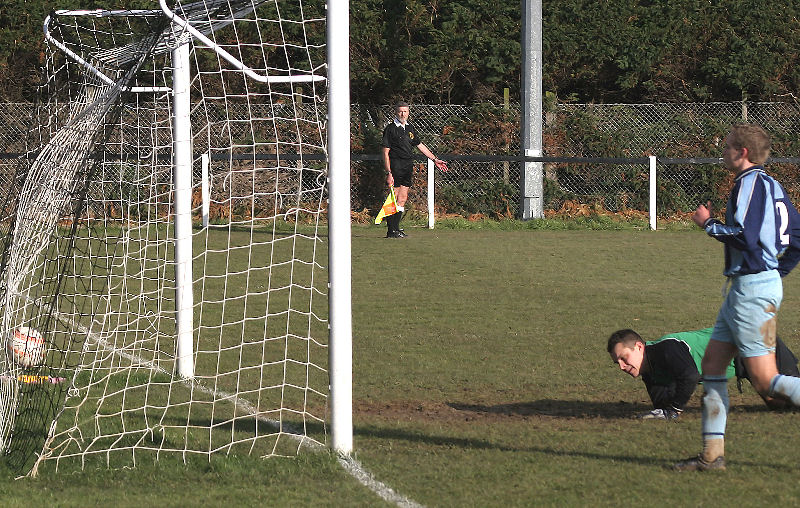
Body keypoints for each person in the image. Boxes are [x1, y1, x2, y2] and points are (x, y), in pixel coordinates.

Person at [675, 124, 800, 472]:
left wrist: (708, 223)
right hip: (747, 288)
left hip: (751, 289)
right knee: (713, 366)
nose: (724, 151)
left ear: (742, 152)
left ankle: (711, 457)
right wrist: (774, 273)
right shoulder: (774, 186)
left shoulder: (749, 184)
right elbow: (798, 236)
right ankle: (711, 457)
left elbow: (743, 235)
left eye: (728, 146)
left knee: (765, 381)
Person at [607, 328, 798, 419]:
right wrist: (664, 411)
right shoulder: (649, 371)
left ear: (639, 347)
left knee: (791, 397)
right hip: (740, 359)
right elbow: (662, 406)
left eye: (624, 358)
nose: (622, 367)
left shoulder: (666, 348)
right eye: (618, 362)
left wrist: (674, 410)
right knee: (779, 407)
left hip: (756, 341)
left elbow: (689, 376)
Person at [381, 102, 447, 238]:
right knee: (393, 197)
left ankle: (396, 229)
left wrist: (435, 159)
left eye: (405, 111)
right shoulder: (390, 129)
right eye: (400, 111)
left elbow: (419, 145)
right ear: (396, 112)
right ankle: (390, 230)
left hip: (407, 165)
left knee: (403, 198)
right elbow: (385, 152)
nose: (403, 114)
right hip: (396, 165)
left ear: (408, 112)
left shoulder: (410, 128)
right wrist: (389, 172)